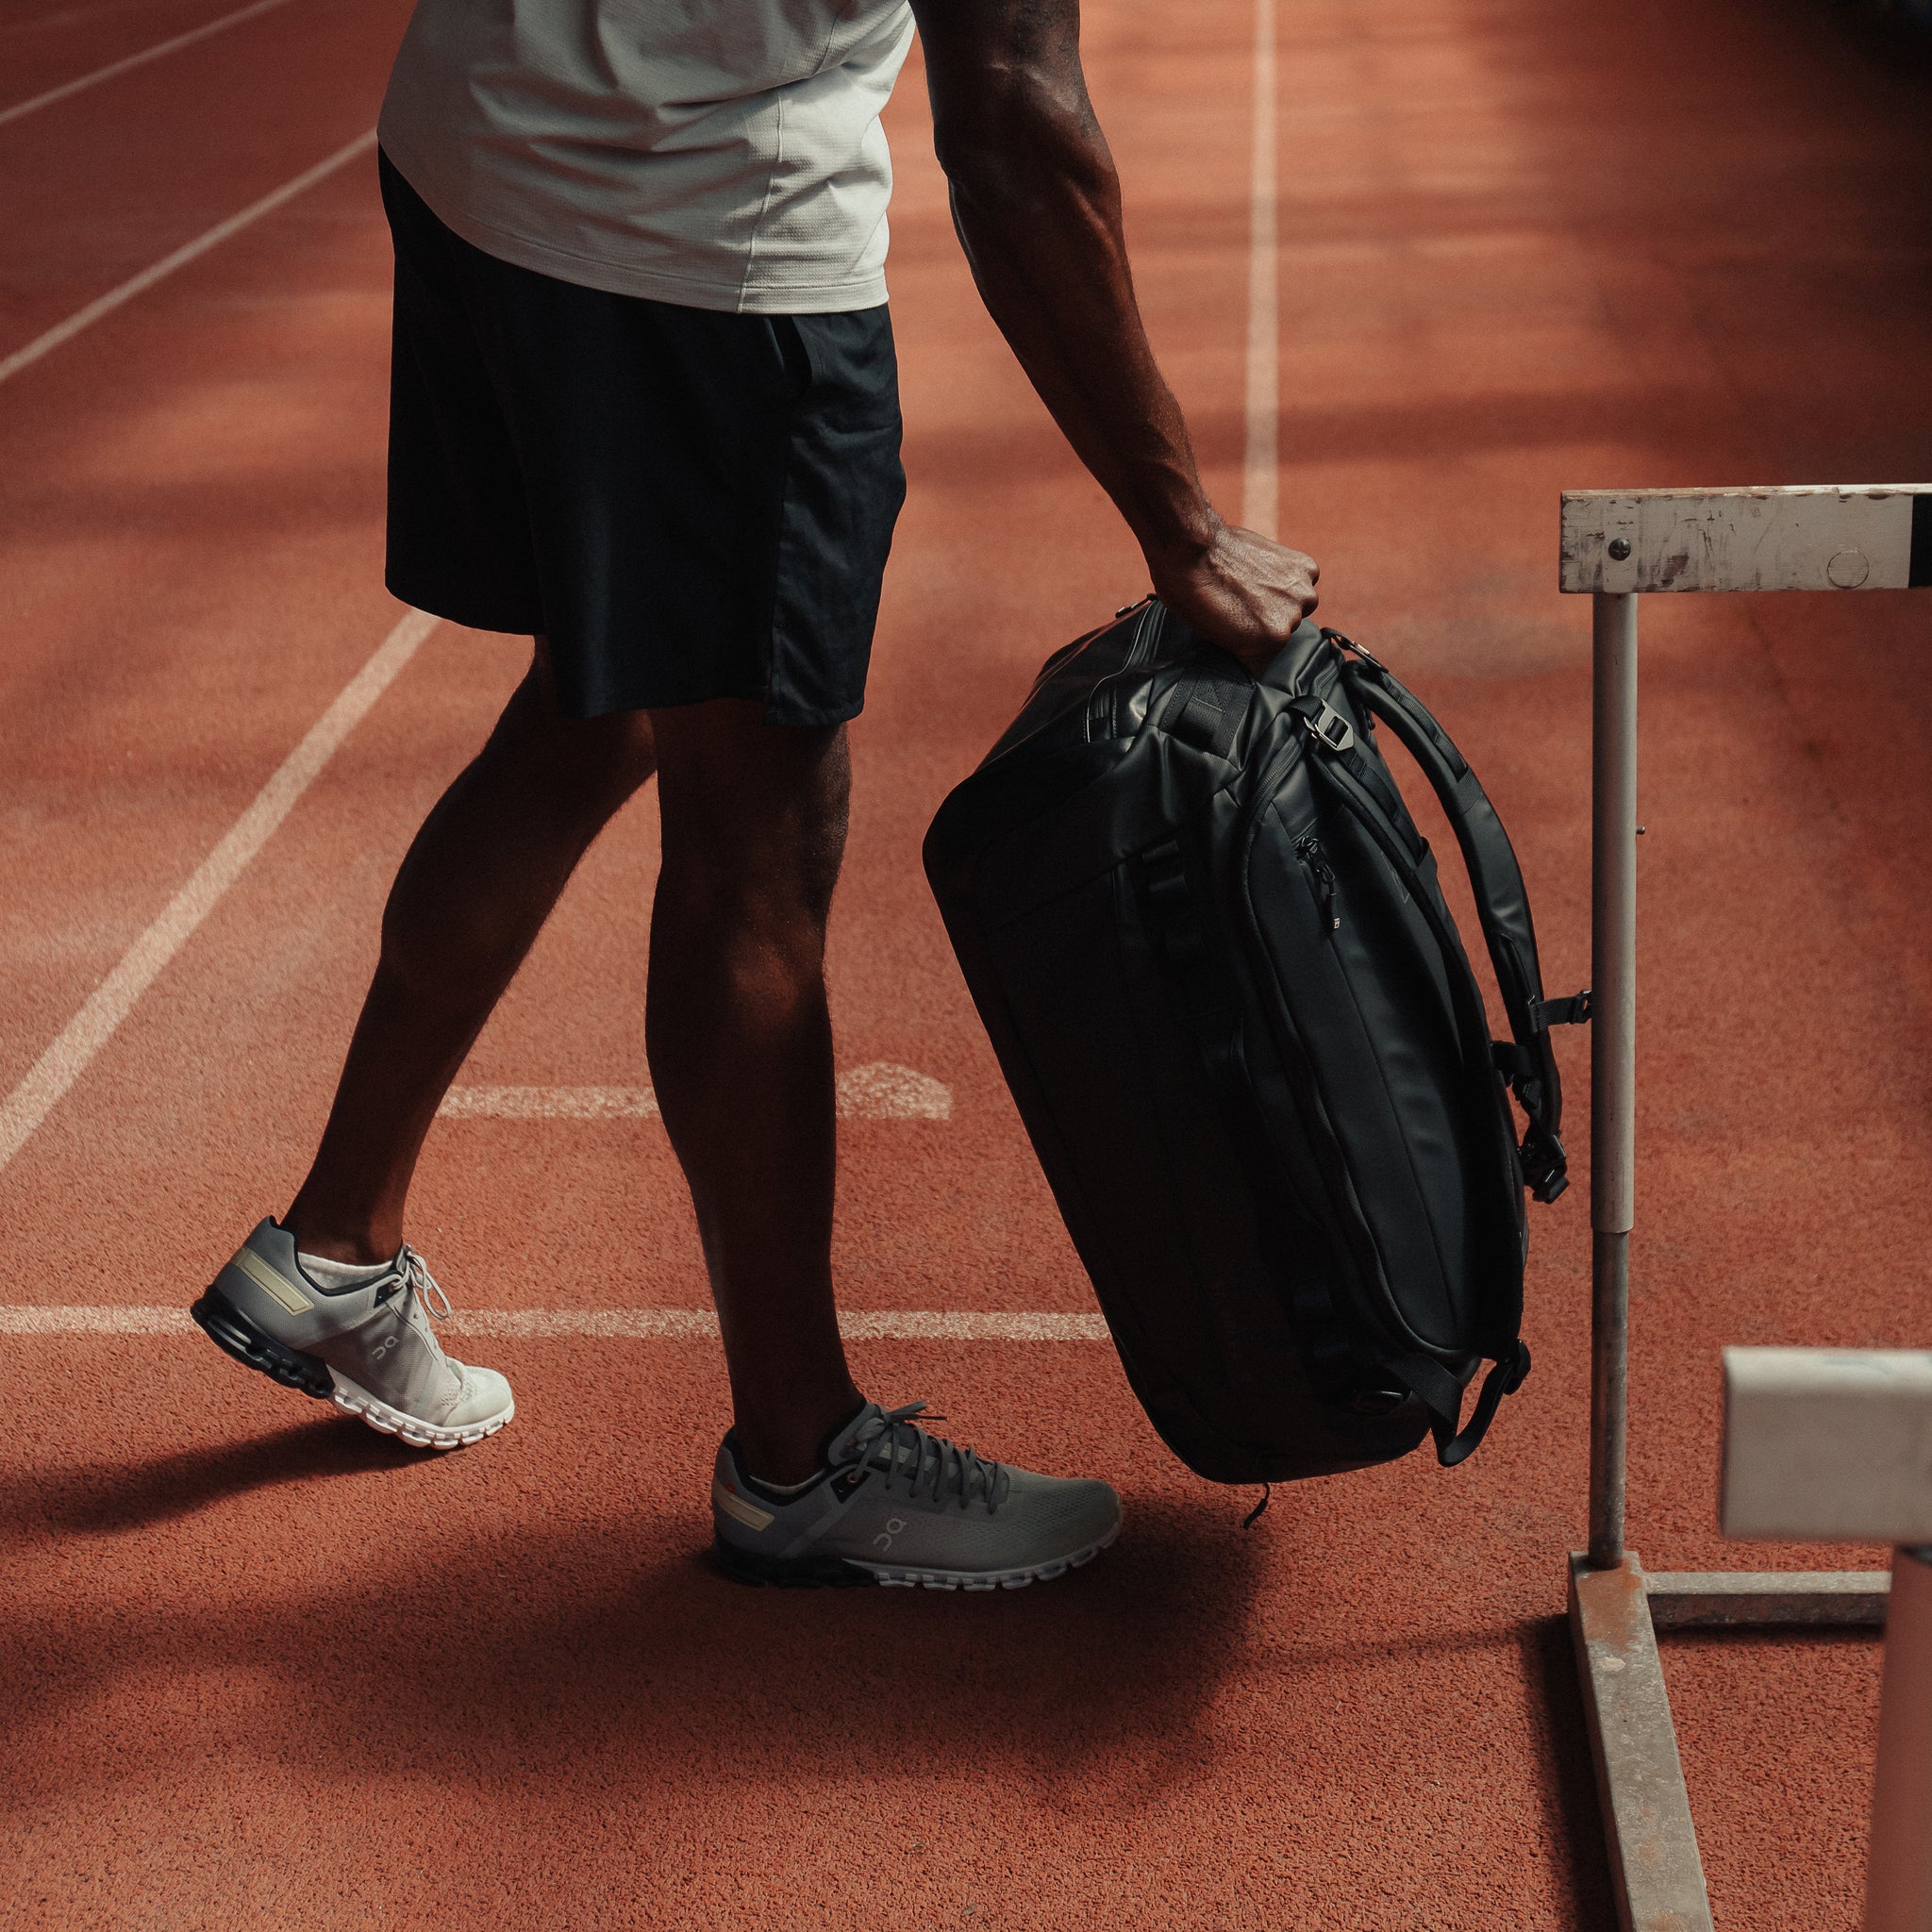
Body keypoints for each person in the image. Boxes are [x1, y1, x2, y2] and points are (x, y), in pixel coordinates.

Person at [190, 0, 1320, 1591]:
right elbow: (1014, 128)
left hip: (479, 144)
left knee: (603, 709)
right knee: (758, 845)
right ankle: (799, 1454)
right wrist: (1180, 525)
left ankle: (334, 1246)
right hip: (696, 244)